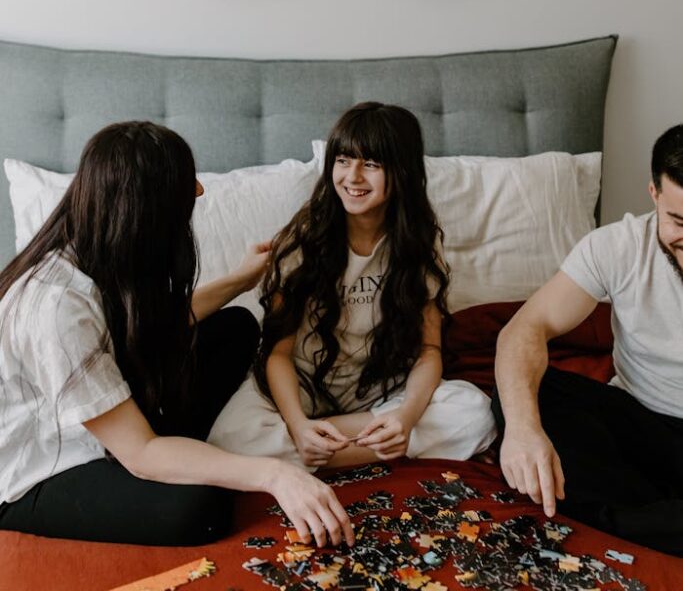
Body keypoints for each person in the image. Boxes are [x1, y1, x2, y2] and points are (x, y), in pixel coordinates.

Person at [0, 121, 353, 548]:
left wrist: (242, 280)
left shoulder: (95, 245)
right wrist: (274, 474)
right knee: (200, 510)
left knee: (235, 326)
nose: (200, 191)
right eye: (185, 185)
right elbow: (139, 452)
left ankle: (183, 455)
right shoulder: (57, 306)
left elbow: (152, 326)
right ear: (145, 211)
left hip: (101, 411)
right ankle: (183, 459)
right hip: (39, 466)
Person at [209, 102, 496, 469]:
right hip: (303, 387)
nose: (353, 177)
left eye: (371, 164)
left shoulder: (418, 245)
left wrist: (405, 418)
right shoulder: (299, 244)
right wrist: (297, 425)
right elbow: (277, 354)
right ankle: (343, 443)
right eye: (343, 161)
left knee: (475, 411)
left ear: (402, 171)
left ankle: (322, 448)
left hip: (380, 389)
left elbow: (429, 350)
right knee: (229, 437)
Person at [494, 124, 683, 556]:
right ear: (654, 194)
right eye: (680, 222)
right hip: (643, 425)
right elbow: (524, 330)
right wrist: (523, 432)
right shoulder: (616, 247)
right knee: (528, 392)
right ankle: (656, 520)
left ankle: (621, 521)